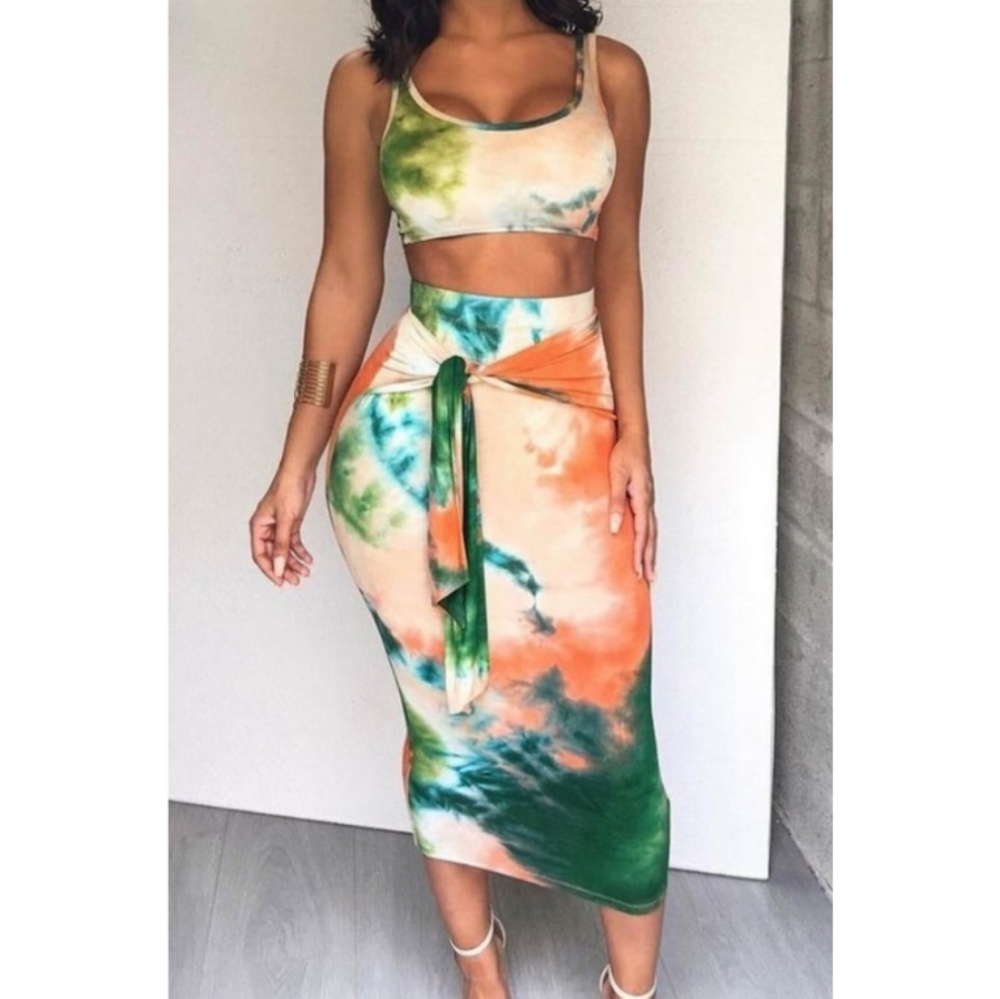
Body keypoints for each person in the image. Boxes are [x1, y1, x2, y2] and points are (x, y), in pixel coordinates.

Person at [249, 2, 669, 997]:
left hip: (572, 426)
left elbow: (618, 264)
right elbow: (345, 279)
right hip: (410, 439)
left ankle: (633, 989)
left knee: (611, 730)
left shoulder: (610, 72)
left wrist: (636, 436)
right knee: (447, 726)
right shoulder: (369, 84)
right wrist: (294, 464)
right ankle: (481, 974)